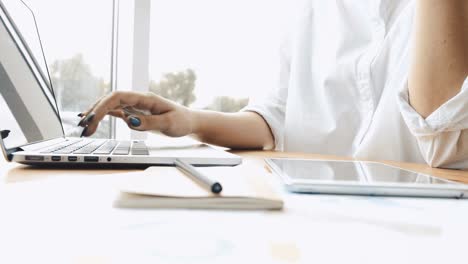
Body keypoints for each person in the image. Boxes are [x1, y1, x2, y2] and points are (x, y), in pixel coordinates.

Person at [78, 0, 468, 169]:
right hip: (313, 218)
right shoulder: (314, 9)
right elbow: (272, 119)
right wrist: (188, 120)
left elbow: (446, 146)